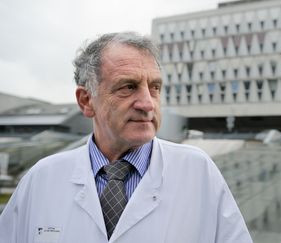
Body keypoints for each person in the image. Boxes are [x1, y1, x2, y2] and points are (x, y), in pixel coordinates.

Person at [0, 32, 252, 243]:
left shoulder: (198, 171)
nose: (147, 104)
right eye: (128, 87)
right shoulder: (42, 179)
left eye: (154, 87)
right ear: (86, 101)